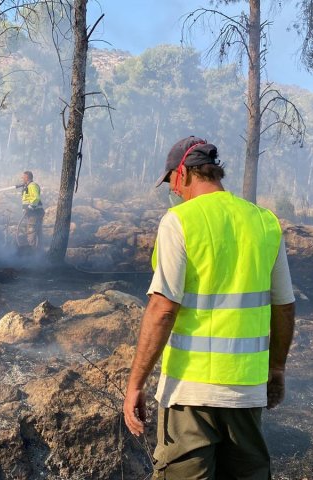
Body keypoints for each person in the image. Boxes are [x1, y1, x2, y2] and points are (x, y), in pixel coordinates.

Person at [122, 136, 296, 480]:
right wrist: (276, 369)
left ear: (184, 173)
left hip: (190, 392)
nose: (172, 190)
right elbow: (284, 308)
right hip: (246, 392)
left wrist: (135, 384)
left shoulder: (179, 221)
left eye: (171, 179)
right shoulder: (264, 222)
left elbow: (162, 309)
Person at [19, 171, 44, 248]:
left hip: (34, 213)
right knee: (38, 233)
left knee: (31, 233)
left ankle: (31, 253)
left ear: (27, 177)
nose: (22, 178)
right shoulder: (28, 186)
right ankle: (39, 253)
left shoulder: (32, 186)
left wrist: (29, 208)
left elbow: (35, 198)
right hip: (34, 213)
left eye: (23, 177)